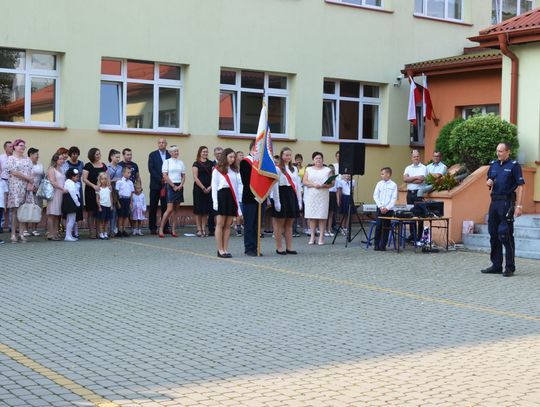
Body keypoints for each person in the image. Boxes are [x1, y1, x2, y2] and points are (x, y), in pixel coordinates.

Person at [481, 142, 525, 277]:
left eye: (500, 151)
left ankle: (510, 267)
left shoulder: (514, 166)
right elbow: (490, 179)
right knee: (493, 234)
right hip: (494, 202)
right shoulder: (493, 164)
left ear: (508, 152)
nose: (498, 153)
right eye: (497, 151)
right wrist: (489, 182)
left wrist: (519, 206)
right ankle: (496, 265)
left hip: (507, 202)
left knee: (505, 234)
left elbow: (521, 186)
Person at [270, 147, 302, 255]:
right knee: (280, 223)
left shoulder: (294, 168)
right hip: (281, 194)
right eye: (286, 155)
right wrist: (277, 201)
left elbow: (297, 185)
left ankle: (289, 247)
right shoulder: (278, 168)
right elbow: (275, 186)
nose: (288, 157)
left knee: (289, 223)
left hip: (291, 195)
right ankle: (279, 247)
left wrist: (299, 200)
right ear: (282, 156)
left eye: (289, 155)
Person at [212, 148, 242, 258]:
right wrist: (215, 203)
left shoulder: (235, 170)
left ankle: (225, 248)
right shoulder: (217, 170)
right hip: (222, 196)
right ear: (225, 157)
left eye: (234, 157)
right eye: (231, 157)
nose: (233, 159)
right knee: (220, 224)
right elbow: (214, 187)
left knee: (228, 225)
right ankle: (219, 249)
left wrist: (238, 205)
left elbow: (237, 188)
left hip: (232, 197)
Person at [6, 139, 34, 243]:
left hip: (25, 187)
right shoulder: (11, 159)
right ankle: (13, 234)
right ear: (15, 147)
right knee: (14, 211)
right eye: (20, 145)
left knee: (23, 210)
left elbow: (32, 172)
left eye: (24, 146)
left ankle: (21, 233)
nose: (22, 147)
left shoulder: (27, 159)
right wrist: (27, 178)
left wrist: (31, 183)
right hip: (15, 187)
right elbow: (14, 172)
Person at [303, 151, 332, 245]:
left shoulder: (327, 170)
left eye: (320, 158)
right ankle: (312, 236)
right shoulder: (309, 169)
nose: (318, 160)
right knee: (312, 216)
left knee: (322, 216)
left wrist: (323, 185)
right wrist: (313, 184)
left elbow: (332, 183)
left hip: (323, 195)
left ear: (323, 159)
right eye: (316, 158)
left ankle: (321, 237)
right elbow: (304, 181)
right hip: (311, 195)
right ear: (313, 160)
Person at [240, 140, 262, 256]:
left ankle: (256, 247)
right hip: (250, 197)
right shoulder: (245, 162)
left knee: (257, 225)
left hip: (260, 197)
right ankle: (249, 248)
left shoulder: (261, 163)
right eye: (258, 148)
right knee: (249, 224)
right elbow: (246, 181)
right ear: (252, 148)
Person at [159, 145, 185, 238]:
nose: (176, 153)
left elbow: (183, 176)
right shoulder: (167, 162)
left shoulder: (181, 162)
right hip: (170, 186)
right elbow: (165, 175)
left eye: (177, 151)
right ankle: (161, 229)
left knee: (176, 210)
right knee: (169, 209)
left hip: (179, 186)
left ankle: (173, 230)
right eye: (174, 151)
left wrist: (181, 185)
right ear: (170, 153)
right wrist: (173, 186)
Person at [82, 148, 107, 239]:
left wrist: (107, 187)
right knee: (91, 212)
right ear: (92, 155)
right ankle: (92, 232)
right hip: (91, 191)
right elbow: (84, 179)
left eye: (99, 154)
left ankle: (98, 231)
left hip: (101, 192)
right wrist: (94, 186)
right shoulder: (88, 165)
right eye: (96, 154)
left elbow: (106, 177)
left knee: (99, 211)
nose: (99, 156)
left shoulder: (103, 165)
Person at [403, 149, 427, 242]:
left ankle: (419, 236)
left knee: (420, 216)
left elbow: (421, 180)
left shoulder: (423, 168)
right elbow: (405, 179)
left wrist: (410, 179)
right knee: (411, 214)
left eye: (417, 156)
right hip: (409, 194)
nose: (416, 158)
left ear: (419, 157)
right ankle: (413, 236)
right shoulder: (408, 168)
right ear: (411, 158)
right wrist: (416, 177)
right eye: (414, 157)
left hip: (419, 194)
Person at [147, 138, 170, 235]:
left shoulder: (170, 154)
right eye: (159, 142)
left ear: (166, 144)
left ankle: (165, 227)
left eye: (163, 142)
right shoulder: (152, 155)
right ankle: (152, 227)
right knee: (153, 206)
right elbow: (151, 169)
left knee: (166, 207)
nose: (161, 144)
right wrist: (161, 179)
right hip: (155, 185)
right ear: (158, 144)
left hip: (167, 185)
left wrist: (167, 179)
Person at [373, 167, 398, 251]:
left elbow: (393, 198)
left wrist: (387, 208)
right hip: (380, 208)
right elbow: (375, 195)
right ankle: (376, 244)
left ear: (388, 174)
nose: (381, 176)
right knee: (379, 226)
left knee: (386, 227)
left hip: (388, 210)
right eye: (381, 174)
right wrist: (380, 206)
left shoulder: (393, 185)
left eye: (382, 174)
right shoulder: (379, 184)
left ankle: (383, 245)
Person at [192, 146, 213, 237]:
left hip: (209, 189)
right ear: (200, 152)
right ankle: (199, 229)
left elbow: (214, 176)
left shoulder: (211, 163)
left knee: (205, 210)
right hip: (198, 189)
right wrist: (203, 188)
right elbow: (195, 177)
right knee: (198, 210)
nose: (205, 153)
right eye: (203, 151)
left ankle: (204, 229)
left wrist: (210, 187)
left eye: (206, 152)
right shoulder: (196, 163)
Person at [64, 146, 84, 237]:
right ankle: (69, 233)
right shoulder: (67, 163)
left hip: (78, 188)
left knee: (77, 212)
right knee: (71, 212)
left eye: (77, 154)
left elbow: (81, 176)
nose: (75, 155)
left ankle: (76, 232)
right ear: (70, 155)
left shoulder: (81, 164)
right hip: (71, 189)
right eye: (73, 154)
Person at [46, 153, 66, 241]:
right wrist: (62, 188)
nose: (62, 160)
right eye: (60, 159)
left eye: (63, 159)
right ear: (56, 160)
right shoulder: (51, 169)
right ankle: (50, 233)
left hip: (61, 193)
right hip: (54, 193)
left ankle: (56, 232)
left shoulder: (61, 169)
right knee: (52, 214)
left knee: (58, 215)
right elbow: (52, 182)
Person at [25, 147, 44, 237]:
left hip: (38, 191)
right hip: (28, 190)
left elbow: (42, 177)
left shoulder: (40, 165)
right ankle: (25, 229)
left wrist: (39, 188)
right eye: (36, 154)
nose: (38, 156)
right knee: (27, 209)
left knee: (37, 209)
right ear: (31, 155)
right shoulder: (26, 164)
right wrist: (30, 187)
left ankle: (34, 229)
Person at [207, 146, 223, 237]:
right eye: (217, 153)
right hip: (212, 189)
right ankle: (211, 229)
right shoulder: (210, 164)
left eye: (220, 153)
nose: (219, 155)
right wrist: (210, 186)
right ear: (214, 154)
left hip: (222, 189)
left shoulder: (225, 164)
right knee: (211, 209)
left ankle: (220, 227)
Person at [62, 168, 81, 242]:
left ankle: (69, 235)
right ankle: (67, 236)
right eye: (77, 177)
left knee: (70, 219)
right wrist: (77, 203)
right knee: (72, 219)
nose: (78, 178)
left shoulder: (68, 182)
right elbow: (73, 194)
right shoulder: (70, 183)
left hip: (69, 202)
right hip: (71, 203)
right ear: (72, 176)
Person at [107, 149, 122, 237]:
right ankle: (111, 229)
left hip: (119, 190)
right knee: (112, 210)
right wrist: (114, 180)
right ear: (111, 157)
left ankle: (116, 229)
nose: (118, 159)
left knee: (118, 210)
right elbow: (106, 179)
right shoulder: (107, 167)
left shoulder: (120, 167)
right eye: (116, 157)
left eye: (119, 157)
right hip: (111, 189)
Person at [115, 167, 134, 237]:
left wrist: (131, 202)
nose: (129, 174)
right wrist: (118, 202)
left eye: (130, 173)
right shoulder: (119, 182)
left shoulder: (131, 182)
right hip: (121, 199)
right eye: (128, 172)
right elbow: (116, 192)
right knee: (120, 216)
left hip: (127, 200)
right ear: (123, 173)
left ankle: (124, 230)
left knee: (126, 215)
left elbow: (132, 193)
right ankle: (119, 230)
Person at [0, 140, 13, 233]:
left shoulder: (14, 158)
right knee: (2, 204)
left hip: (13, 182)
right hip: (3, 181)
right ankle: (1, 225)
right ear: (5, 148)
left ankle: (11, 226)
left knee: (12, 204)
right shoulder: (1, 157)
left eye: (12, 146)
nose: (11, 148)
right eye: (9, 147)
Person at [96, 172, 113, 240]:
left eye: (105, 179)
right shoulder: (99, 189)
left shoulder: (109, 188)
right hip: (102, 206)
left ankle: (105, 233)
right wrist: (99, 206)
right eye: (102, 179)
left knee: (106, 221)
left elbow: (111, 197)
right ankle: (101, 233)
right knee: (101, 221)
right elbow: (97, 198)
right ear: (100, 180)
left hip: (108, 206)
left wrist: (111, 205)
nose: (104, 180)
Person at [325, 164, 337, 237]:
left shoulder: (336, 178)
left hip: (333, 195)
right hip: (327, 194)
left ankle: (329, 229)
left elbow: (337, 189)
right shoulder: (325, 178)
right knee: (325, 214)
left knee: (331, 214)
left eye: (332, 170)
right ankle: (325, 230)